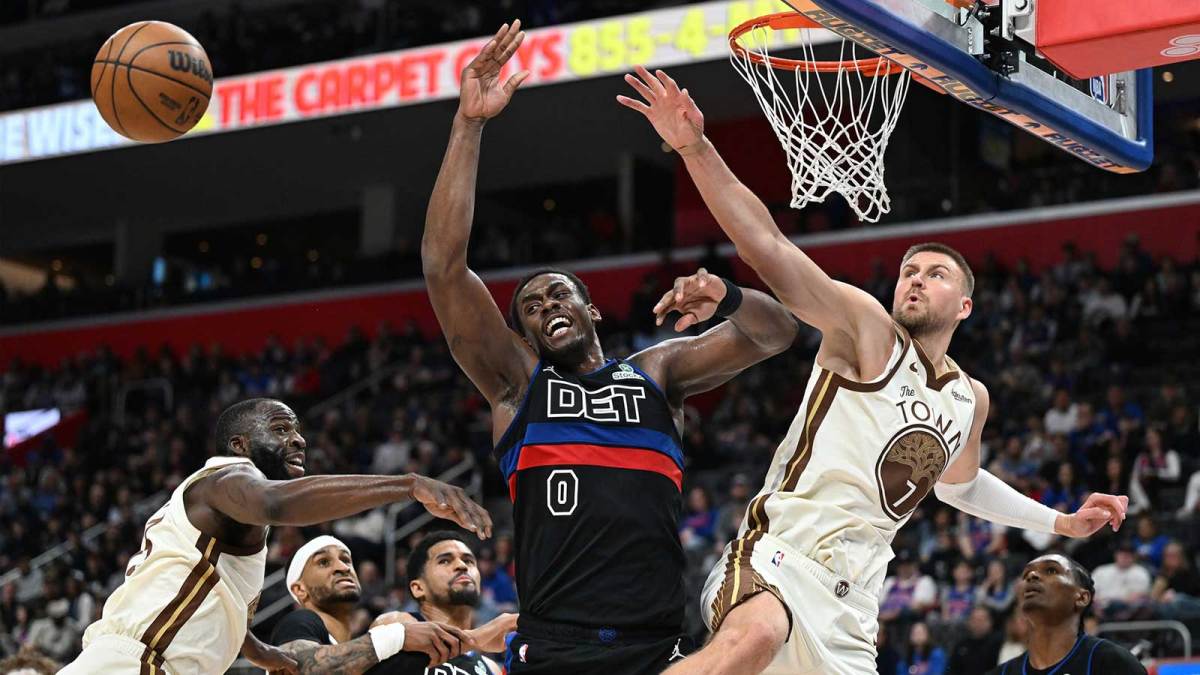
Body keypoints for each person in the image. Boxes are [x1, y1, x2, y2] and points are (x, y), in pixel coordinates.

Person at [618, 65, 1128, 675]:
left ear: (965, 306)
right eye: (909, 271)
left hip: (853, 605)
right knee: (751, 640)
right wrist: (694, 147)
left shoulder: (971, 398)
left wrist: (1060, 521)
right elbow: (769, 248)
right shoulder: (867, 330)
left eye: (935, 274)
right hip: (779, 557)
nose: (916, 279)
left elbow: (960, 487)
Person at [422, 22, 799, 675]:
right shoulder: (517, 385)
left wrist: (728, 294)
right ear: (523, 336)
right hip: (556, 647)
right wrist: (468, 124)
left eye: (559, 295)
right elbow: (443, 266)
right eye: (532, 308)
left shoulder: (658, 372)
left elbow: (779, 332)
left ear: (591, 308)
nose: (547, 308)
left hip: (656, 646)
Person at [60, 398, 491, 675]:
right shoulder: (225, 477)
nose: (299, 438)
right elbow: (277, 504)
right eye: (281, 429)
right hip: (137, 665)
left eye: (297, 429)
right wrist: (408, 485)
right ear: (240, 444)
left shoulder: (221, 515)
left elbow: (208, 599)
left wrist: (261, 651)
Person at [271, 533, 515, 673]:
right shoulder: (300, 622)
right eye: (323, 562)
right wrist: (399, 634)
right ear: (299, 589)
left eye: (347, 560)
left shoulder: (360, 659)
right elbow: (302, 667)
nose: (342, 567)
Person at [987, 554, 1146, 674]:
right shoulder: (1002, 672)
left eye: (1051, 570)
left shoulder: (1113, 662)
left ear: (1082, 598)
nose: (1031, 576)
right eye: (1026, 574)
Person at [1092, 542, 1153, 620]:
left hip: (1128, 610)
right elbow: (1092, 593)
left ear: (1133, 556)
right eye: (1122, 554)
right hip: (1101, 608)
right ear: (1116, 554)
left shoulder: (1141, 572)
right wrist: (1097, 606)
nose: (1124, 557)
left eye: (1128, 555)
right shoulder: (1101, 571)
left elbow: (1141, 596)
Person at [947, 607, 1002, 674]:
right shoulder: (960, 646)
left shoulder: (997, 646)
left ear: (990, 622)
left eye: (981, 620)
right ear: (968, 622)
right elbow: (952, 670)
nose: (978, 623)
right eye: (974, 619)